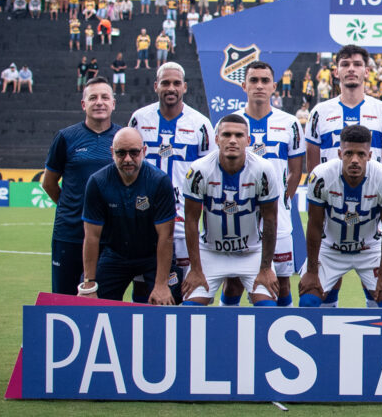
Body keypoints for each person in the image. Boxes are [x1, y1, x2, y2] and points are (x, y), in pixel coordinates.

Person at [222, 61, 304, 307]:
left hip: (278, 220)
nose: (259, 85)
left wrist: (278, 202)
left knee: (281, 281)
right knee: (233, 281)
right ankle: (226, 335)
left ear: (274, 87)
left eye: (265, 81)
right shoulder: (230, 123)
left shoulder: (290, 124)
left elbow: (296, 171)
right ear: (244, 85)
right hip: (239, 217)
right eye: (254, 80)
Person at [180, 114, 280, 306]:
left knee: (268, 309)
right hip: (210, 252)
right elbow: (191, 221)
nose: (233, 140)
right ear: (217, 139)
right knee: (189, 310)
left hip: (251, 252)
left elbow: (270, 220)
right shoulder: (199, 170)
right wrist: (195, 268)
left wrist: (266, 268)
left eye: (239, 135)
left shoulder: (263, 169)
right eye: (226, 134)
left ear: (248, 140)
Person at [128, 62, 215, 281]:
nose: (171, 88)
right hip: (144, 212)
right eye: (165, 83)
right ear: (156, 86)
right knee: (142, 281)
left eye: (176, 83)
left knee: (184, 282)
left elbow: (210, 175)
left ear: (185, 87)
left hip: (184, 216)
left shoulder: (201, 124)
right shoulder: (139, 119)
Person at [297, 125, 382, 307]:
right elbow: (314, 224)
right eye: (348, 153)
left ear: (369, 155)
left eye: (361, 154)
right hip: (330, 249)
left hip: (370, 249)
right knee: (308, 301)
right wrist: (312, 271)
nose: (355, 160)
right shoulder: (321, 176)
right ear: (339, 154)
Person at [79, 128, 180, 304]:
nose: (127, 159)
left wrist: (162, 284)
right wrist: (89, 283)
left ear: (144, 151)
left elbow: (166, 236)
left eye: (134, 152)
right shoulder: (98, 182)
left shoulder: (159, 181)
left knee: (172, 297)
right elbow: (92, 236)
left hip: (152, 254)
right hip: (115, 254)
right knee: (90, 302)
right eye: (121, 153)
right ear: (112, 152)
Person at [42, 77, 121, 294]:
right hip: (70, 233)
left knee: (106, 301)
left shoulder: (123, 138)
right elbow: (48, 183)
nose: (99, 102)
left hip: (109, 237)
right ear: (83, 104)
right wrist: (72, 207)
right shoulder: (66, 137)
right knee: (64, 299)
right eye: (93, 97)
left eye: (105, 97)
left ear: (113, 103)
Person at [306, 45, 382, 171]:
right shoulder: (318, 113)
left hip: (372, 191)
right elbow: (314, 174)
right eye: (345, 64)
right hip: (330, 191)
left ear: (367, 71)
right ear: (336, 72)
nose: (351, 69)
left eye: (357, 64)